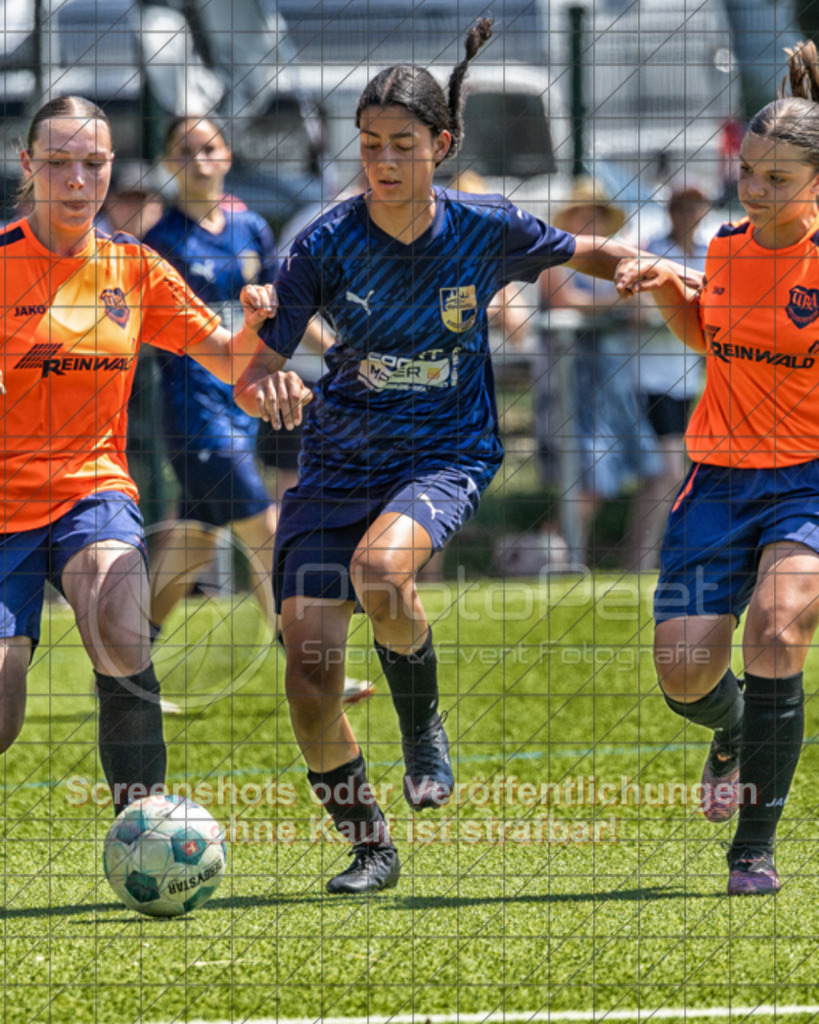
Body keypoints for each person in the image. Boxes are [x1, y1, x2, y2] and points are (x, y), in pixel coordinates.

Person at [234, 19, 691, 895]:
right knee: (308, 677)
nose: (383, 161)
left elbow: (582, 249)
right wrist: (272, 389)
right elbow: (252, 372)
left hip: (444, 454)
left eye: (402, 144)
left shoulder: (484, 226)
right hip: (337, 465)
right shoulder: (323, 245)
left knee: (381, 573)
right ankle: (370, 848)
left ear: (440, 146)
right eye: (369, 143)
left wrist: (651, 268)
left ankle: (421, 726)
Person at [0, 95, 302, 815]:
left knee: (120, 625)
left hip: (92, 491)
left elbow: (229, 359)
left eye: (93, 163)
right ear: (28, 165)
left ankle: (145, 826)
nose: (78, 179)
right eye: (59, 162)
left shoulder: (133, 267)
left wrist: (262, 341)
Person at [615, 40, 819, 895]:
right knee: (683, 672)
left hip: (806, 481)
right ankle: (731, 729)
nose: (755, 190)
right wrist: (666, 283)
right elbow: (710, 339)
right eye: (748, 172)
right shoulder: (726, 248)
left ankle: (752, 850)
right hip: (719, 481)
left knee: (776, 630)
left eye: (777, 178)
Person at [143, 116, 373, 707]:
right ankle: (312, 664)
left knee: (194, 545)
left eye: (209, 147)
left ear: (227, 156)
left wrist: (342, 355)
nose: (199, 160)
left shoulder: (249, 227)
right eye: (185, 151)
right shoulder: (159, 239)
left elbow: (287, 310)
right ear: (169, 164)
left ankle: (123, 665)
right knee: (268, 530)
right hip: (191, 410)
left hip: (243, 404)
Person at [538, 177, 663, 567]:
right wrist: (619, 299)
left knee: (649, 471)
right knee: (590, 482)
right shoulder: (552, 258)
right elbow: (564, 301)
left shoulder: (614, 264)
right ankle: (553, 558)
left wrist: (630, 298)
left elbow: (643, 307)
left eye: (597, 214)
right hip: (569, 388)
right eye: (582, 214)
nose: (590, 221)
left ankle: (610, 562)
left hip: (611, 387)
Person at [624, 176, 710, 572]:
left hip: (686, 379)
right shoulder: (653, 252)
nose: (688, 213)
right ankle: (639, 560)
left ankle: (644, 558)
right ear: (670, 210)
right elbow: (639, 311)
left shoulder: (710, 253)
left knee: (668, 472)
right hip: (649, 378)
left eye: (695, 206)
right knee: (668, 470)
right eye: (681, 206)